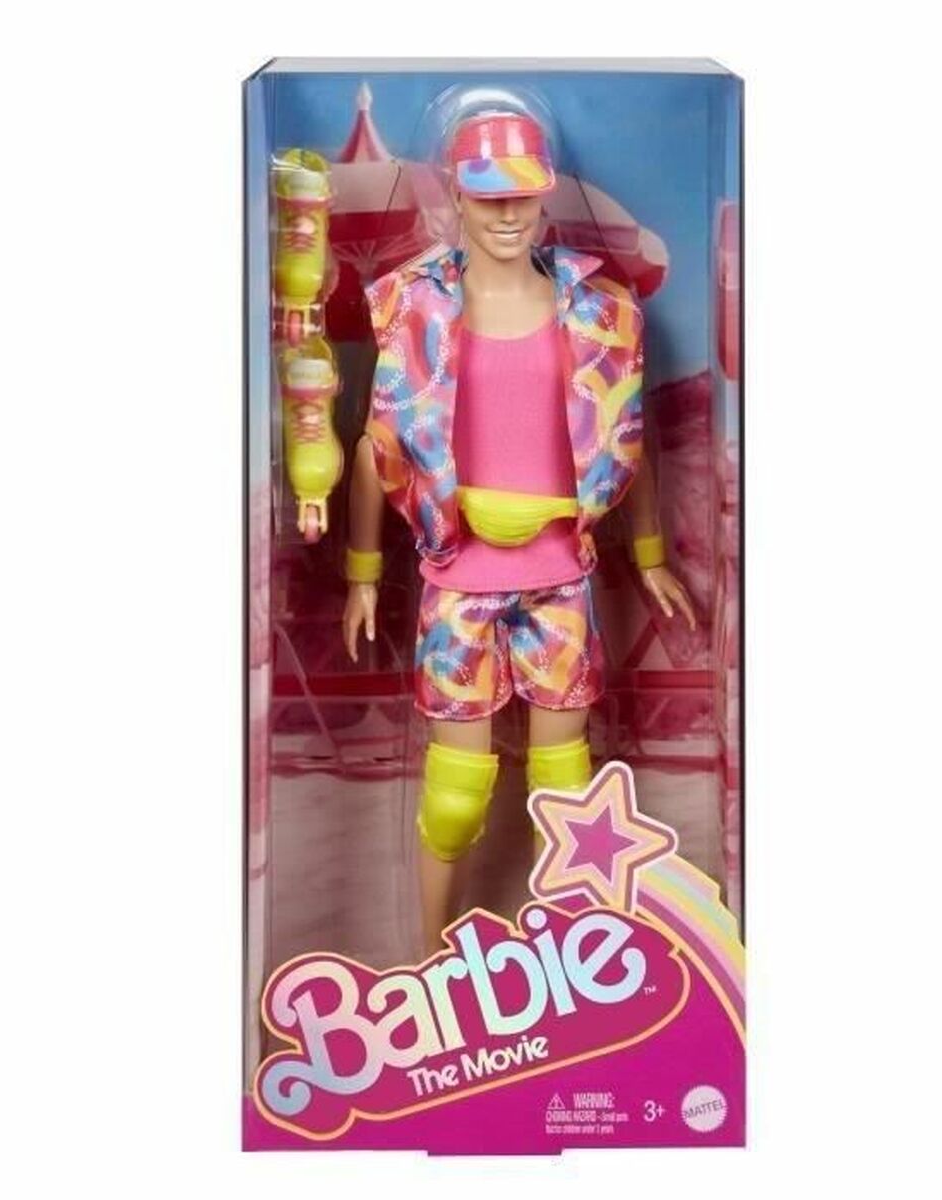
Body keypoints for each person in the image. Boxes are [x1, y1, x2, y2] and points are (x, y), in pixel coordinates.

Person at [342, 109, 694, 948]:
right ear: (457, 196)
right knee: (454, 794)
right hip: (456, 578)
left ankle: (564, 958)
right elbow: (375, 448)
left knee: (565, 791)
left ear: (543, 197)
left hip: (560, 575)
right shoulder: (418, 312)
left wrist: (650, 555)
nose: (507, 215)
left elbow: (627, 436)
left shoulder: (597, 313)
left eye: (522, 198)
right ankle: (430, 959)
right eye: (488, 196)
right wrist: (362, 574)